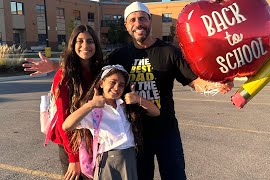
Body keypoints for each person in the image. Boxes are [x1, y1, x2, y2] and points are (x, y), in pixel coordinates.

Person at [23, 2, 233, 179]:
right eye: (132, 20)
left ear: (150, 20)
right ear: (126, 25)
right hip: (134, 133)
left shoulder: (169, 52)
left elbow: (194, 82)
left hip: (165, 129)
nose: (138, 24)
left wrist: (217, 83)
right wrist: (55, 66)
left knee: (175, 175)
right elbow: (89, 66)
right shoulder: (118, 56)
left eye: (142, 19)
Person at [62, 65, 160, 180]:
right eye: (112, 82)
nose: (116, 87)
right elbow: (66, 126)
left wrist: (138, 99)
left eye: (121, 85)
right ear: (101, 83)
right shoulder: (94, 110)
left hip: (130, 159)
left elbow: (156, 112)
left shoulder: (125, 106)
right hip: (108, 161)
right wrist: (91, 104)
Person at [47, 24, 105, 180]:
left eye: (90, 41)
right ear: (73, 44)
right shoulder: (64, 75)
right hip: (71, 143)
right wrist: (73, 159)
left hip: (94, 139)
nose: (85, 45)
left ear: (96, 45)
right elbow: (62, 120)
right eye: (80, 41)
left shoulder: (101, 70)